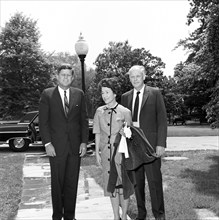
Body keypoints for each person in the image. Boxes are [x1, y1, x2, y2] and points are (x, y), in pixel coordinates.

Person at [39, 63, 89, 220]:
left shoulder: (79, 94)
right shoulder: (47, 94)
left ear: (72, 77)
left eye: (69, 75)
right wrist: (47, 143)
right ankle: (57, 215)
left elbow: (83, 120)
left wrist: (83, 142)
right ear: (57, 77)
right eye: (63, 75)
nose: (66, 77)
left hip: (75, 147)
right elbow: (43, 122)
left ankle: (70, 215)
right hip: (56, 147)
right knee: (57, 183)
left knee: (71, 183)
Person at [121, 65, 167, 220]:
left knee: (154, 181)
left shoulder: (154, 93)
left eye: (138, 76)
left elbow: (162, 120)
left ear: (144, 76)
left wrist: (161, 144)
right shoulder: (125, 97)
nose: (135, 79)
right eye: (132, 77)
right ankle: (141, 214)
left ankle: (159, 215)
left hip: (151, 146)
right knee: (137, 183)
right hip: (133, 146)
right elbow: (123, 123)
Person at [93, 77, 135, 220]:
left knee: (123, 185)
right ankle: (115, 216)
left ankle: (124, 215)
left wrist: (126, 133)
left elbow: (131, 136)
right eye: (102, 93)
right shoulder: (99, 111)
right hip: (106, 154)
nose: (104, 95)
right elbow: (97, 133)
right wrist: (97, 153)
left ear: (115, 93)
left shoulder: (125, 112)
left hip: (121, 155)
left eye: (107, 92)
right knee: (111, 185)